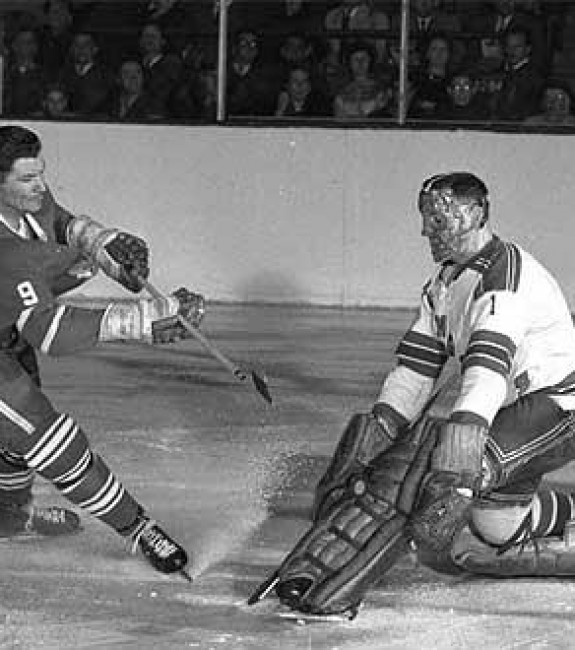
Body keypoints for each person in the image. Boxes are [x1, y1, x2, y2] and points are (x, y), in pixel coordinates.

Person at [249, 171, 575, 618]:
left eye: (439, 217)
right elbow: (417, 369)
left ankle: (342, 582)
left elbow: (486, 369)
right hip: (517, 407)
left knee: (432, 482)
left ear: (477, 214)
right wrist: (382, 428)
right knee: (497, 526)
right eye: (425, 217)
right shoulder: (444, 284)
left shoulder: (505, 279)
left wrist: (462, 452)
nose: (426, 230)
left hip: (557, 406)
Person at [0, 124, 205, 579]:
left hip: (7, 331)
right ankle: (138, 528)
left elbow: (61, 224)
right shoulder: (5, 252)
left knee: (11, 445)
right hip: (14, 333)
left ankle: (8, 520)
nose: (40, 186)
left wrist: (102, 244)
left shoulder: (25, 205)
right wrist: (142, 321)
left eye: (41, 174)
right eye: (26, 179)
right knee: (48, 437)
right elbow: (52, 332)